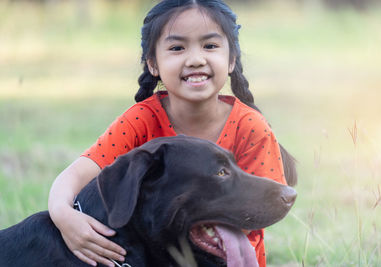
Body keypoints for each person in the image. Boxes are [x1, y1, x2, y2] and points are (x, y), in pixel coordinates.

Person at [48, 0, 287, 266]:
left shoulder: (251, 127)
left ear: (231, 60)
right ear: (153, 64)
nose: (196, 59)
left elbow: (258, 207)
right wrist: (62, 214)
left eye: (210, 45)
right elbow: (77, 174)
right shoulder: (141, 119)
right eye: (177, 48)